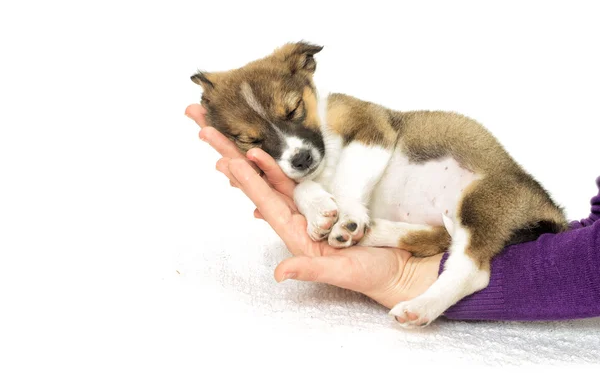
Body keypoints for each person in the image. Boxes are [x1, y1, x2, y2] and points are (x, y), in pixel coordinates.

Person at [185, 103, 600, 322]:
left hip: (475, 185)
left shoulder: (344, 112)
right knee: (457, 223)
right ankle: (432, 252)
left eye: (293, 112)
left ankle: (463, 272)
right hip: (433, 217)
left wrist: (412, 277)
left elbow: (374, 134)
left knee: (478, 207)